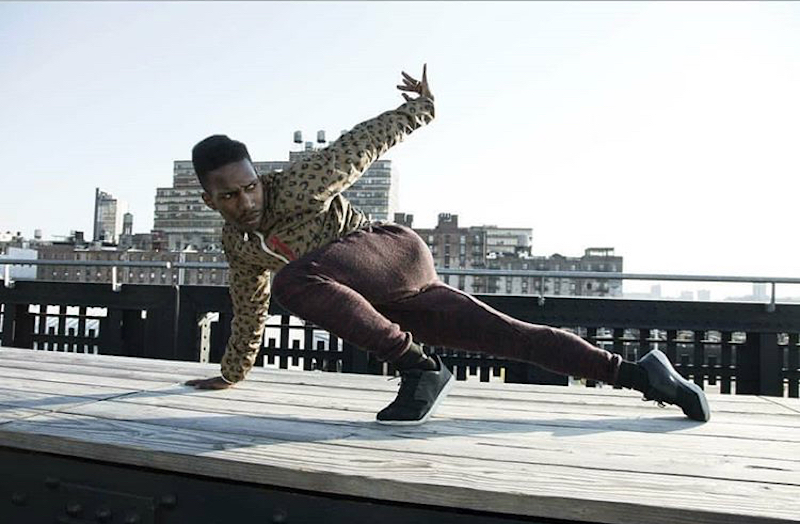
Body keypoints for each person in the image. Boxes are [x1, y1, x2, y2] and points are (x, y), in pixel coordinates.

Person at [185, 65, 710, 424]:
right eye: (229, 196)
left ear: (259, 177)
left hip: (389, 253)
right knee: (511, 337)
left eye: (250, 186)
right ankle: (643, 375)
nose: (246, 202)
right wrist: (231, 374)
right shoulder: (239, 245)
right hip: (386, 300)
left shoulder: (299, 184)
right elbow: (249, 307)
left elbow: (359, 144)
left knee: (294, 280)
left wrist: (422, 108)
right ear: (210, 200)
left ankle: (421, 368)